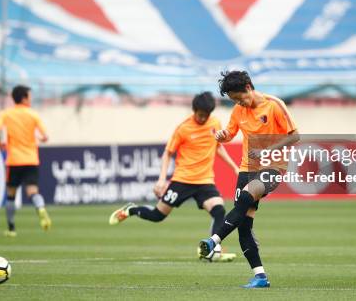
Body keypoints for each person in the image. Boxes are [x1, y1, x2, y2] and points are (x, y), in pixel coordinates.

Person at [109, 91, 240, 261]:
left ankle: (211, 250)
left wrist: (234, 167)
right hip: (182, 180)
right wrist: (162, 180)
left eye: (206, 115)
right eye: (200, 115)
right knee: (158, 215)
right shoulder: (183, 128)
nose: (202, 118)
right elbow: (168, 153)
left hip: (205, 180)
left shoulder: (214, 123)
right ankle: (131, 210)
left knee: (219, 211)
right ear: (194, 111)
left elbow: (218, 147)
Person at [197, 71, 300, 288]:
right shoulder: (238, 110)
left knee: (247, 194)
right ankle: (261, 276)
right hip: (247, 168)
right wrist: (222, 136)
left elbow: (295, 135)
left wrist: (268, 150)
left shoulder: (274, 105)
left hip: (272, 166)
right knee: (243, 225)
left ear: (249, 87)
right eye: (234, 100)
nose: (238, 102)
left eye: (240, 97)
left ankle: (214, 240)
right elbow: (230, 133)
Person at [0, 85, 51, 237]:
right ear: (24, 98)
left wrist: (0, 144)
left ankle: (11, 229)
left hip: (14, 160)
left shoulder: (5, 114)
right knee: (32, 191)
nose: (31, 99)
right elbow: (45, 137)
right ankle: (40, 207)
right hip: (31, 159)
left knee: (11, 195)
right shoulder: (33, 115)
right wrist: (38, 139)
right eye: (30, 96)